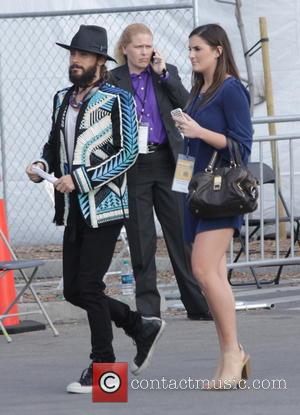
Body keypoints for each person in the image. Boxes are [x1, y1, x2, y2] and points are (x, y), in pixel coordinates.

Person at [26, 25, 165, 394]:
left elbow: (127, 154)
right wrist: (41, 164)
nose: (75, 60)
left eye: (83, 55)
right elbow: (55, 144)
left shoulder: (117, 99)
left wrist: (82, 179)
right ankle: (139, 325)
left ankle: (104, 369)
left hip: (105, 207)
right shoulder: (62, 99)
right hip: (73, 209)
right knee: (74, 290)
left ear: (100, 60)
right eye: (72, 54)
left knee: (88, 285)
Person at [110, 23, 211, 320]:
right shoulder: (113, 79)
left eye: (148, 46)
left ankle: (197, 304)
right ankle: (148, 312)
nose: (145, 52)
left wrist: (163, 74)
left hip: (168, 162)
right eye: (139, 46)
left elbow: (188, 103)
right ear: (125, 49)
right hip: (134, 167)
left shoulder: (168, 72)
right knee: (141, 242)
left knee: (180, 235)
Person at [171, 24, 252, 390]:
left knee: (203, 270)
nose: (191, 55)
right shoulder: (197, 91)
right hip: (195, 192)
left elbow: (240, 147)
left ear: (218, 50)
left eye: (198, 49)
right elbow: (190, 149)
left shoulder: (231, 89)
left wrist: (199, 131)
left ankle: (233, 354)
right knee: (213, 277)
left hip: (222, 192)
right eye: (189, 49)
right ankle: (230, 354)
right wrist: (178, 183)